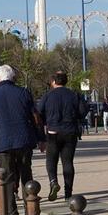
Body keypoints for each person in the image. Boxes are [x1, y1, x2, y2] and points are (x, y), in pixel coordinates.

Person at [0, 64, 43, 215]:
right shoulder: (24, 92)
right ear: (13, 77)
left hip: (4, 142)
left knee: (7, 178)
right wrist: (40, 138)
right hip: (24, 140)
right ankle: (30, 211)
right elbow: (36, 117)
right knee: (26, 175)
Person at [37, 70, 86, 201]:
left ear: (53, 82)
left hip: (53, 132)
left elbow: (39, 113)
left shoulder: (48, 96)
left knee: (51, 160)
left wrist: (41, 134)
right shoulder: (73, 95)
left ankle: (53, 182)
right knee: (68, 162)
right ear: (66, 81)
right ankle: (68, 192)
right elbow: (82, 113)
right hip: (70, 132)